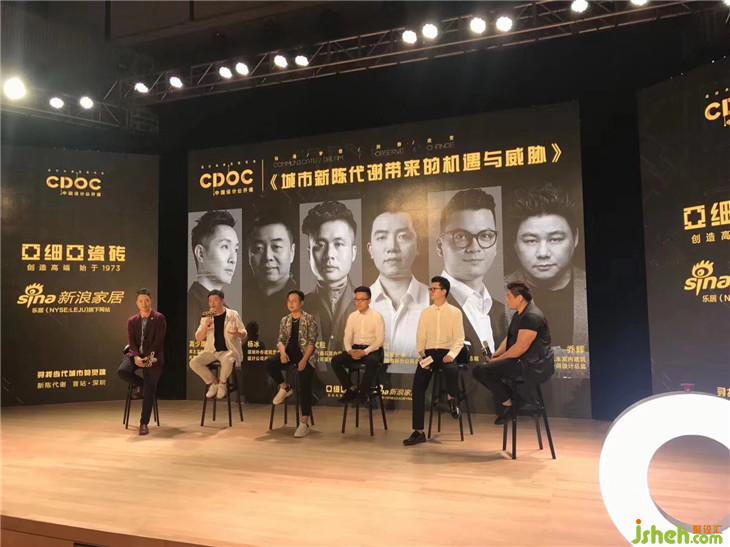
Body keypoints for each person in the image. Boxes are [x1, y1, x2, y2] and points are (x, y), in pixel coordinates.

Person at [505, 183, 586, 347]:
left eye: (555, 239)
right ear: (515, 244)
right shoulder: (492, 296)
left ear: (575, 238)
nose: (543, 253)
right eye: (530, 241)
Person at [437, 188, 507, 357]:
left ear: (495, 245)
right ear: (440, 246)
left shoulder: (503, 312)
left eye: (486, 235)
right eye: (461, 236)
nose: (475, 248)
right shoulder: (423, 307)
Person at [472, 282, 554, 424]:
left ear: (520, 298)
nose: (507, 299)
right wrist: (496, 355)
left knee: (484, 370)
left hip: (533, 366)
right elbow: (509, 339)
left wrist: (497, 361)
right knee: (480, 370)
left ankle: (511, 403)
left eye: (509, 296)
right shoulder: (519, 314)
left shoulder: (531, 316)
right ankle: (512, 401)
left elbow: (519, 348)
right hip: (522, 361)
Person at [403, 276, 465, 446]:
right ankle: (418, 431)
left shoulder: (455, 312)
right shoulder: (426, 312)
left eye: (434, 289)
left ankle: (452, 399)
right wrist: (422, 355)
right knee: (418, 387)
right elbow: (420, 336)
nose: (431, 291)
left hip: (446, 352)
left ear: (444, 291)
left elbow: (459, 338)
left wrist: (452, 354)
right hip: (429, 354)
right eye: (431, 289)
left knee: (451, 369)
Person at [368, 207, 429, 360]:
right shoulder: (355, 306)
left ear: (418, 246)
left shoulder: (435, 301)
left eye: (403, 236)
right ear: (370, 250)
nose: (392, 247)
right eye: (381, 237)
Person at [302, 200, 358, 351]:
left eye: (338, 244)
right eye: (320, 245)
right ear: (309, 254)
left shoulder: (372, 306)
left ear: (353, 252)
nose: (329, 255)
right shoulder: (298, 308)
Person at [266, 290, 319, 438]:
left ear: (301, 303)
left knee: (304, 385)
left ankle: (304, 422)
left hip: (306, 356)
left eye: (294, 301)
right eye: (289, 301)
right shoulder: (285, 320)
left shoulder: (309, 319)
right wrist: (283, 353)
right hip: (289, 354)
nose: (291, 304)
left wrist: (304, 360)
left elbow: (312, 343)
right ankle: (285, 387)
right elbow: (280, 340)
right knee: (270, 363)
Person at [117, 288, 166, 436]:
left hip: (154, 356)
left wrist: (149, 358)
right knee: (123, 371)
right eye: (141, 301)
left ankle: (143, 423)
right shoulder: (132, 321)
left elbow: (158, 341)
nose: (144, 303)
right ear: (137, 303)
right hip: (136, 354)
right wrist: (136, 357)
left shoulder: (159, 318)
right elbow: (131, 342)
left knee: (150, 385)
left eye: (147, 300)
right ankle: (141, 385)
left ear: (151, 301)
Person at [245, 212, 297, 347]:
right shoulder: (238, 301)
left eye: (277, 247)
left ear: (292, 252)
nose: (268, 257)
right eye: (258, 248)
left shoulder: (306, 303)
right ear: (248, 254)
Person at [187, 210, 239, 340]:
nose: (233, 259)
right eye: (225, 246)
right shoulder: (191, 306)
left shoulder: (226, 309)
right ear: (200, 254)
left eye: (236, 249)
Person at [331, 286, 385, 404]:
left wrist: (364, 352)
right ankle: (350, 389)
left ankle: (363, 393)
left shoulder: (377, 317)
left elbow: (379, 341)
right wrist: (350, 351)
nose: (358, 302)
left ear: (369, 300)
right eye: (356, 299)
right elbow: (347, 337)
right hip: (355, 349)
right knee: (335, 360)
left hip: (372, 350)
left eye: (362, 300)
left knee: (372, 361)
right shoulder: (352, 316)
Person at [189, 289, 247, 400]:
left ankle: (222, 384)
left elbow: (244, 333)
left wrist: (237, 333)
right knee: (194, 362)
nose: (212, 303)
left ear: (222, 301)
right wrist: (206, 325)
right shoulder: (206, 316)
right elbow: (198, 338)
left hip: (228, 350)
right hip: (212, 351)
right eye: (210, 301)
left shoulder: (233, 314)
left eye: (215, 300)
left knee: (228, 359)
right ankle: (213, 383)